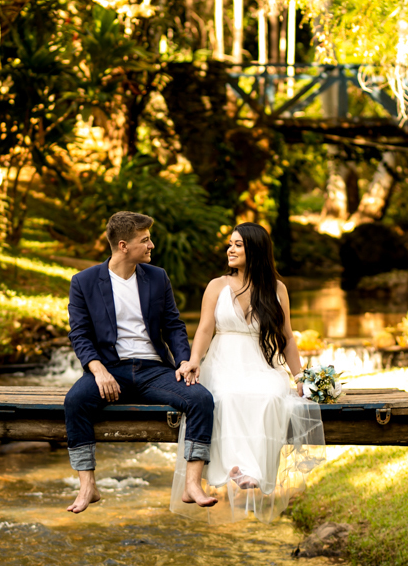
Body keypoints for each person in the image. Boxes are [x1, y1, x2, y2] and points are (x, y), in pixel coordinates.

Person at [170, 223, 325, 523]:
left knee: (270, 396)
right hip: (223, 361)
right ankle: (235, 468)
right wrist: (194, 360)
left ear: (254, 249)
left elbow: (287, 337)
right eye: (230, 244)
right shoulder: (217, 285)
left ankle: (253, 470)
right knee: (226, 396)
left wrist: (299, 377)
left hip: (261, 363)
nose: (230, 249)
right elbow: (204, 328)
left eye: (238, 245)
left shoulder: (277, 289)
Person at [64, 211, 218, 513]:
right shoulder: (83, 282)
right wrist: (97, 370)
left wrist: (184, 361)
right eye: (145, 240)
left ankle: (192, 484)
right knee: (75, 401)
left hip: (154, 371)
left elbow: (173, 326)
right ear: (123, 246)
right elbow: (79, 334)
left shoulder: (157, 277)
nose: (152, 245)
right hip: (110, 370)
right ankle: (87, 486)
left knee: (201, 399)